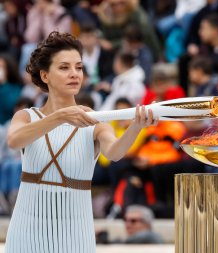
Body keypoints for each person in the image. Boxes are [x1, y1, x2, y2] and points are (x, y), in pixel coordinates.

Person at [4, 31, 157, 252]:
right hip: (27, 228)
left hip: (76, 231)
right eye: (64, 67)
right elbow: (14, 141)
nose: (74, 74)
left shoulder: (95, 120)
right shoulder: (27, 116)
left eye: (79, 67)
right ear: (45, 75)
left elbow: (114, 153)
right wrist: (60, 117)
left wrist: (136, 127)